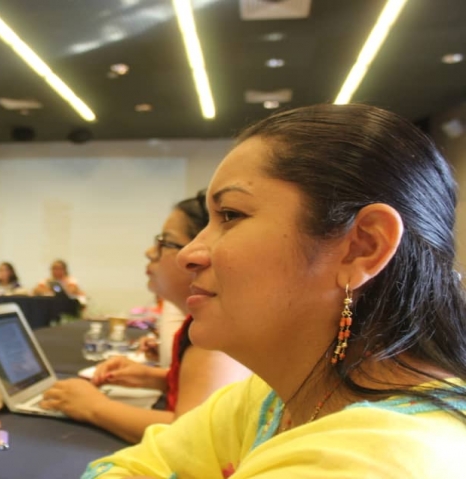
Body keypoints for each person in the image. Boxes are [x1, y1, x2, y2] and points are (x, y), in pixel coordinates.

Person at [81, 104, 466, 478]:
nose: (189, 254)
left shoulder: (374, 460)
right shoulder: (271, 398)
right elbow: (119, 468)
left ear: (362, 246)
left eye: (230, 215)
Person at [39, 194, 250, 443]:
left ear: (197, 258)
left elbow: (192, 436)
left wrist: (93, 407)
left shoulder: (212, 338)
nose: (150, 253)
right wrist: (156, 378)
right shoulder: (201, 325)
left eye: (164, 243)